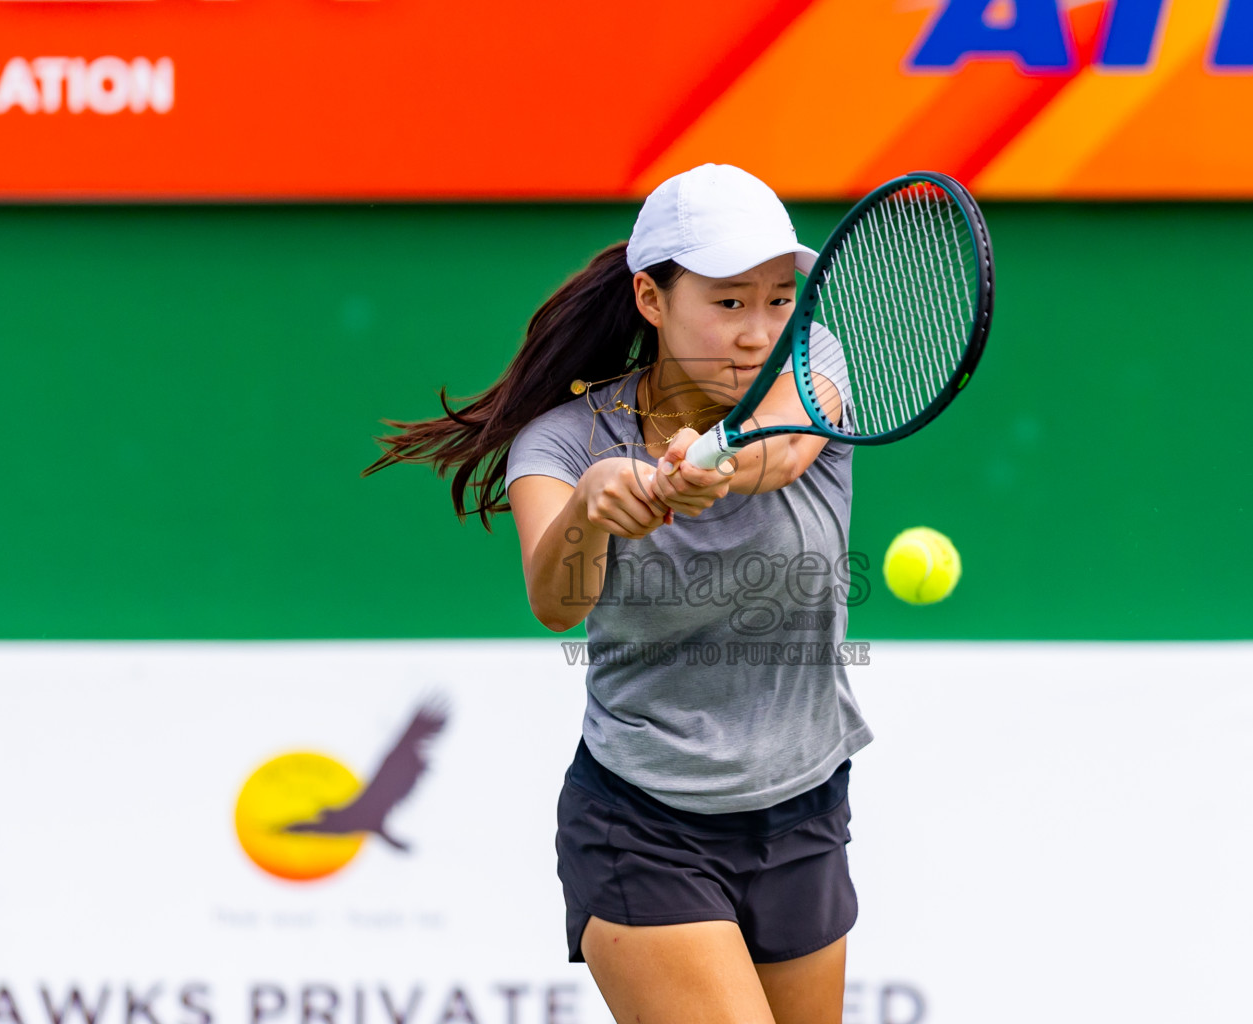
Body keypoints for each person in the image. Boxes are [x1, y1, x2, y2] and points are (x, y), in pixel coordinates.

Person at [364, 163, 873, 1024]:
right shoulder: (559, 446)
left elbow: (777, 453)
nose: (758, 332)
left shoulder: (813, 361)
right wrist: (592, 511)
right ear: (650, 299)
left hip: (806, 806)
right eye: (728, 301)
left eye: (777, 299)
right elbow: (556, 603)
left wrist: (694, 467)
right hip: (646, 826)